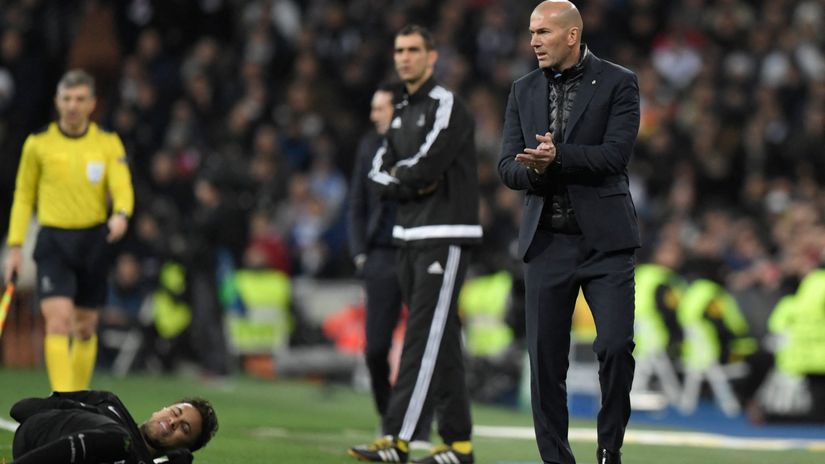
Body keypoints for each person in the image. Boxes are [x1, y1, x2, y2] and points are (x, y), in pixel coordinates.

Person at [497, 2, 641, 464]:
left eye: (542, 32)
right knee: (545, 363)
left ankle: (608, 450)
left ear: (572, 35)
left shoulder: (620, 82)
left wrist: (556, 157)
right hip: (548, 243)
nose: (533, 41)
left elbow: (615, 157)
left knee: (616, 347)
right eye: (531, 32)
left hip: (606, 244)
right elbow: (506, 167)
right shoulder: (522, 89)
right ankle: (556, 460)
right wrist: (534, 172)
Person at [348, 25, 482, 464]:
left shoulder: (447, 105)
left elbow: (427, 165)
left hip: (444, 235)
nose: (404, 57)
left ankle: (396, 438)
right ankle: (458, 445)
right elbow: (378, 172)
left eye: (413, 50)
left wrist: (405, 180)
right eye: (399, 50)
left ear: (432, 56)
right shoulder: (402, 111)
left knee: (422, 337)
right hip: (407, 235)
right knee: (440, 343)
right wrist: (409, 183)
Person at [3, 69, 134, 392]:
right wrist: (15, 246)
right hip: (53, 240)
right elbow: (23, 196)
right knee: (58, 322)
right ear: (57, 102)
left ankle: (78, 398)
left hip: (92, 240)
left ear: (92, 103)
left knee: (85, 328)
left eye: (79, 99)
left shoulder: (107, 142)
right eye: (67, 99)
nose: (72, 105)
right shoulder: (38, 145)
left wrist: (121, 214)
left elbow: (122, 187)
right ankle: (64, 399)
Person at [347, 83, 433, 445]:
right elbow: (356, 203)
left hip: (417, 250)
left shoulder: (425, 141)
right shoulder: (369, 146)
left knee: (422, 345)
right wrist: (359, 253)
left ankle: (420, 427)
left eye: (379, 108)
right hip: (381, 254)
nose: (373, 115)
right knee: (375, 348)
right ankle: (389, 415)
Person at [10, 389, 218, 464]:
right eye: (175, 413)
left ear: (184, 446)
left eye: (184, 429)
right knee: (120, 439)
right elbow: (20, 409)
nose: (173, 422)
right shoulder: (109, 402)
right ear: (162, 409)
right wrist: (79, 410)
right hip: (39, 435)